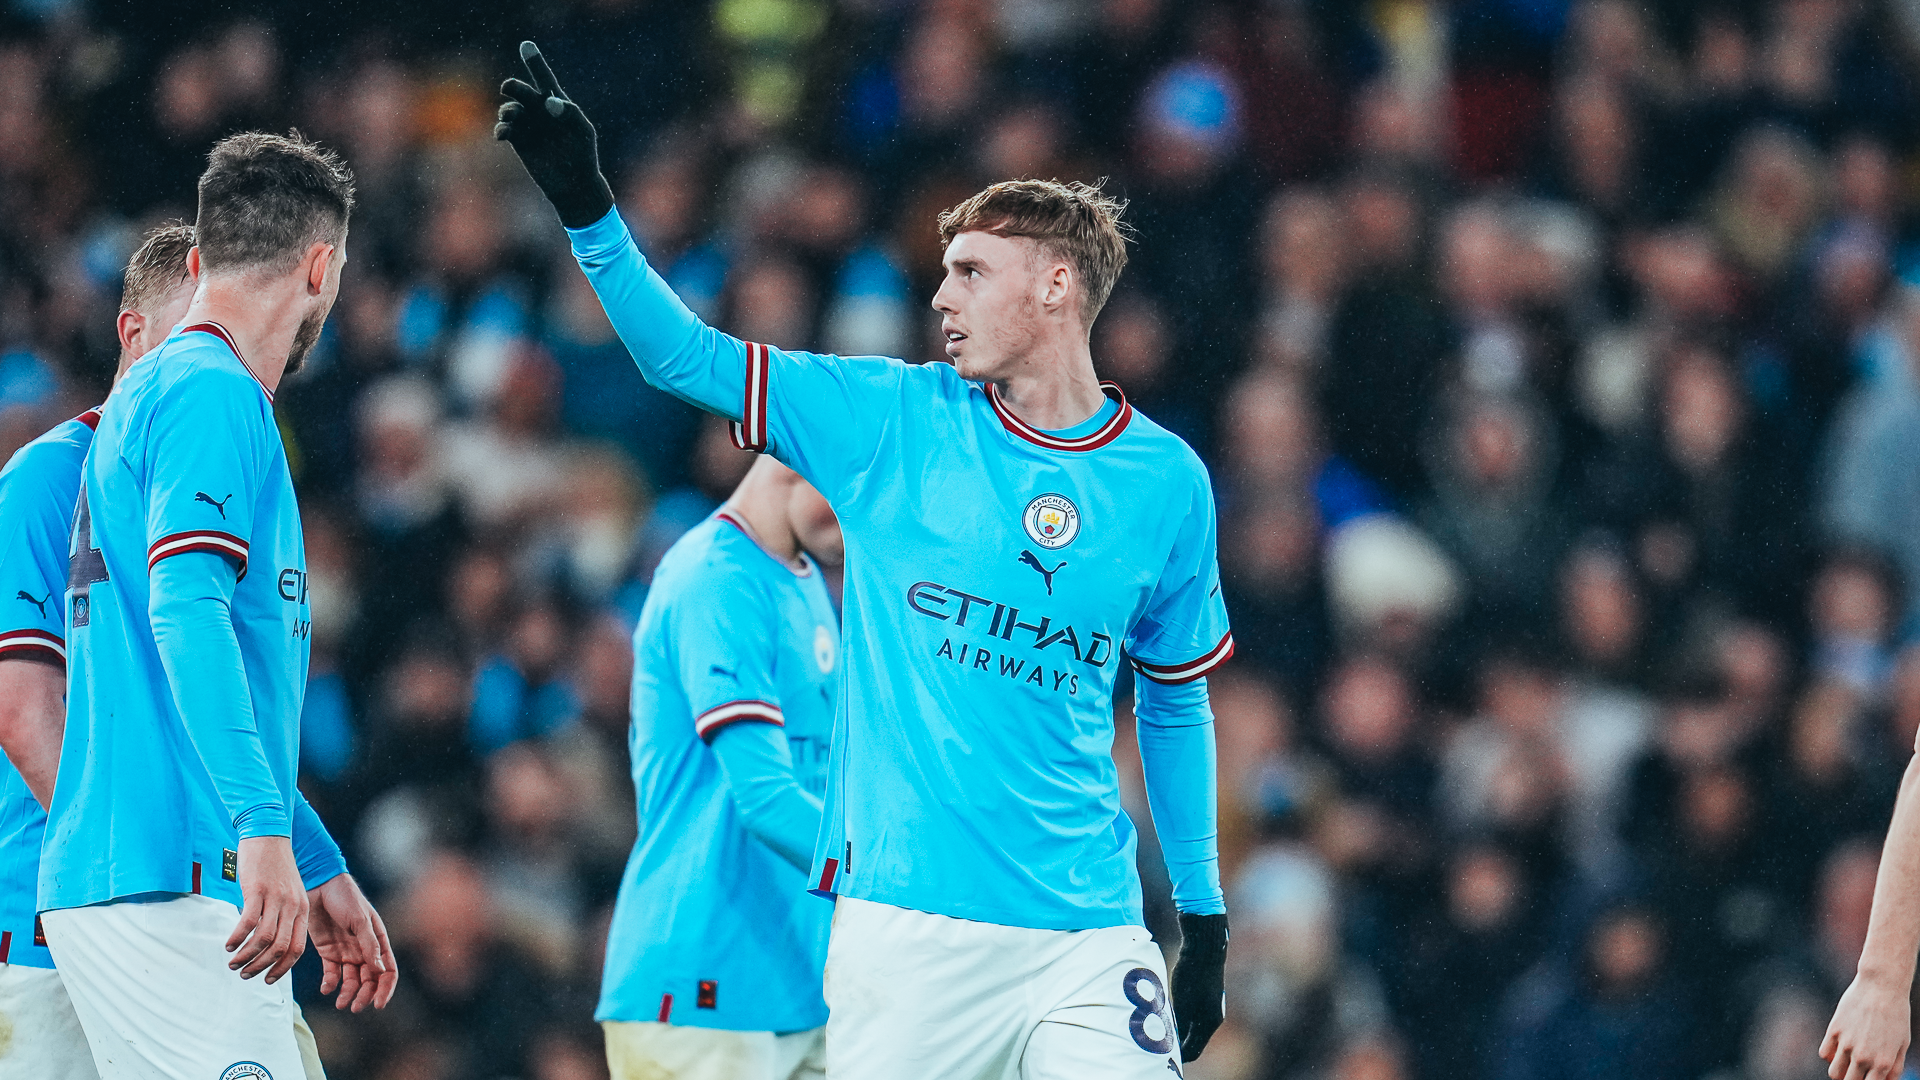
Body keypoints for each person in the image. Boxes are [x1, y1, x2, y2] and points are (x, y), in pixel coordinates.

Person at [498, 42, 1230, 1079]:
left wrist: (1200, 910)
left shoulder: (1166, 482)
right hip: (908, 936)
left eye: (971, 273)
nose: (942, 299)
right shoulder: (892, 418)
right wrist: (590, 214)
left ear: (1058, 285)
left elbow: (1173, 701)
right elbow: (684, 357)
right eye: (942, 275)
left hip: (1086, 927)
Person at [36, 132, 395, 1080]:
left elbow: (184, 674)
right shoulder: (214, 393)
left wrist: (312, 857)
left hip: (148, 866)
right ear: (322, 267)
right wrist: (262, 833)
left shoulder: (146, 395)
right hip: (175, 869)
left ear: (198, 262)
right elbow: (186, 614)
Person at [0, 223, 198, 1080]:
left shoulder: (224, 493)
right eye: (202, 337)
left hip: (194, 912)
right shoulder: (48, 479)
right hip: (53, 925)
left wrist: (308, 861)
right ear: (134, 332)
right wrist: (137, 894)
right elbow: (22, 708)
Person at [600, 455, 842, 1080]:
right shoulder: (715, 578)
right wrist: (902, 880)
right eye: (854, 497)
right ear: (803, 451)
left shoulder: (803, 576)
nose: (864, 525)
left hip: (798, 987)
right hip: (701, 991)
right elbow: (765, 799)